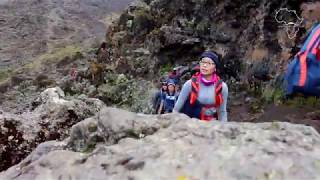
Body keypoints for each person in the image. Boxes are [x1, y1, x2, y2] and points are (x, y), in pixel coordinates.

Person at [173, 51, 228, 121]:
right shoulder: (190, 84)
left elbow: (222, 112)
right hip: (192, 123)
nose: (205, 65)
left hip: (212, 124)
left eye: (209, 63)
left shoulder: (222, 87)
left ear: (215, 68)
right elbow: (176, 109)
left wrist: (224, 128)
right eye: (203, 62)